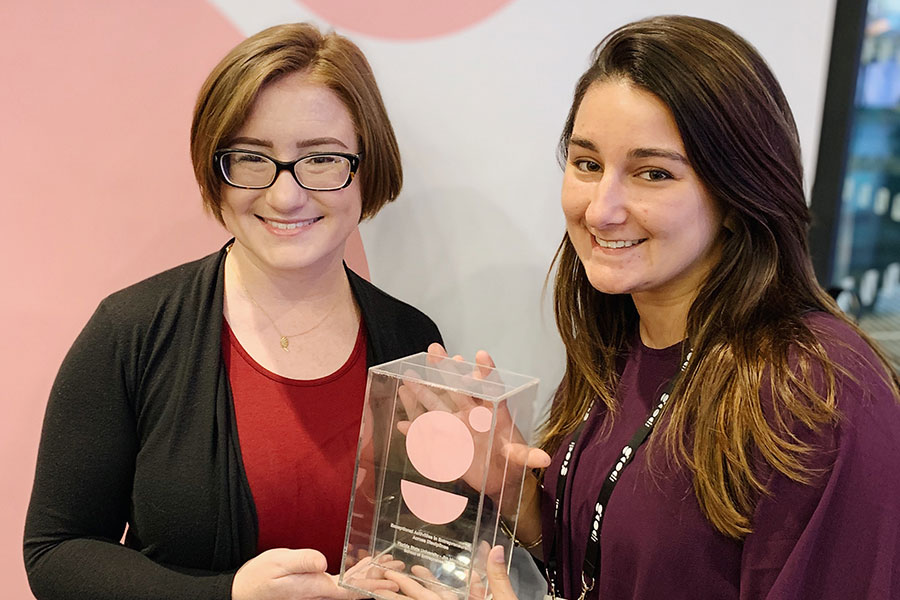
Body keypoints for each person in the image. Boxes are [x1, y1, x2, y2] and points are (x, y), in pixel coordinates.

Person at [469, 14, 900, 600]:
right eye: (587, 164)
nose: (601, 210)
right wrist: (523, 503)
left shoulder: (819, 393)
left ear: (736, 190)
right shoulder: (622, 334)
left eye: (652, 173)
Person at [24, 23, 441, 600]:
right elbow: (56, 552)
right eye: (251, 158)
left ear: (367, 168)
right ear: (214, 168)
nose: (285, 195)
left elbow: (429, 549)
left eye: (320, 159)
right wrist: (228, 595)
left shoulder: (413, 340)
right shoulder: (130, 332)